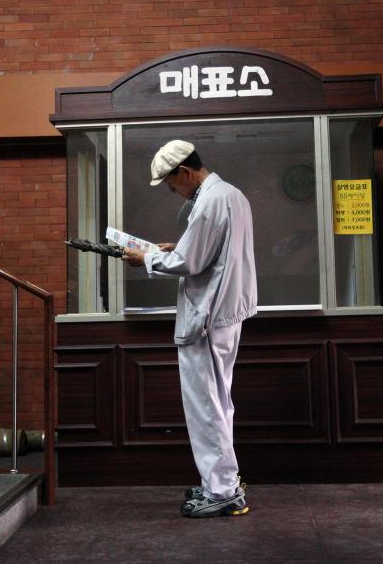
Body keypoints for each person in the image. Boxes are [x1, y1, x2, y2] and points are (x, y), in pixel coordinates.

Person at [122, 139, 257, 518]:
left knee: (205, 406)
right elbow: (211, 251)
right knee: (220, 403)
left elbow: (192, 262)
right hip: (227, 314)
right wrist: (176, 247)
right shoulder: (232, 195)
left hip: (208, 318)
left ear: (183, 171)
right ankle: (224, 480)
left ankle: (222, 490)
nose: (170, 190)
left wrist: (147, 257)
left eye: (169, 182)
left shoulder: (210, 201)